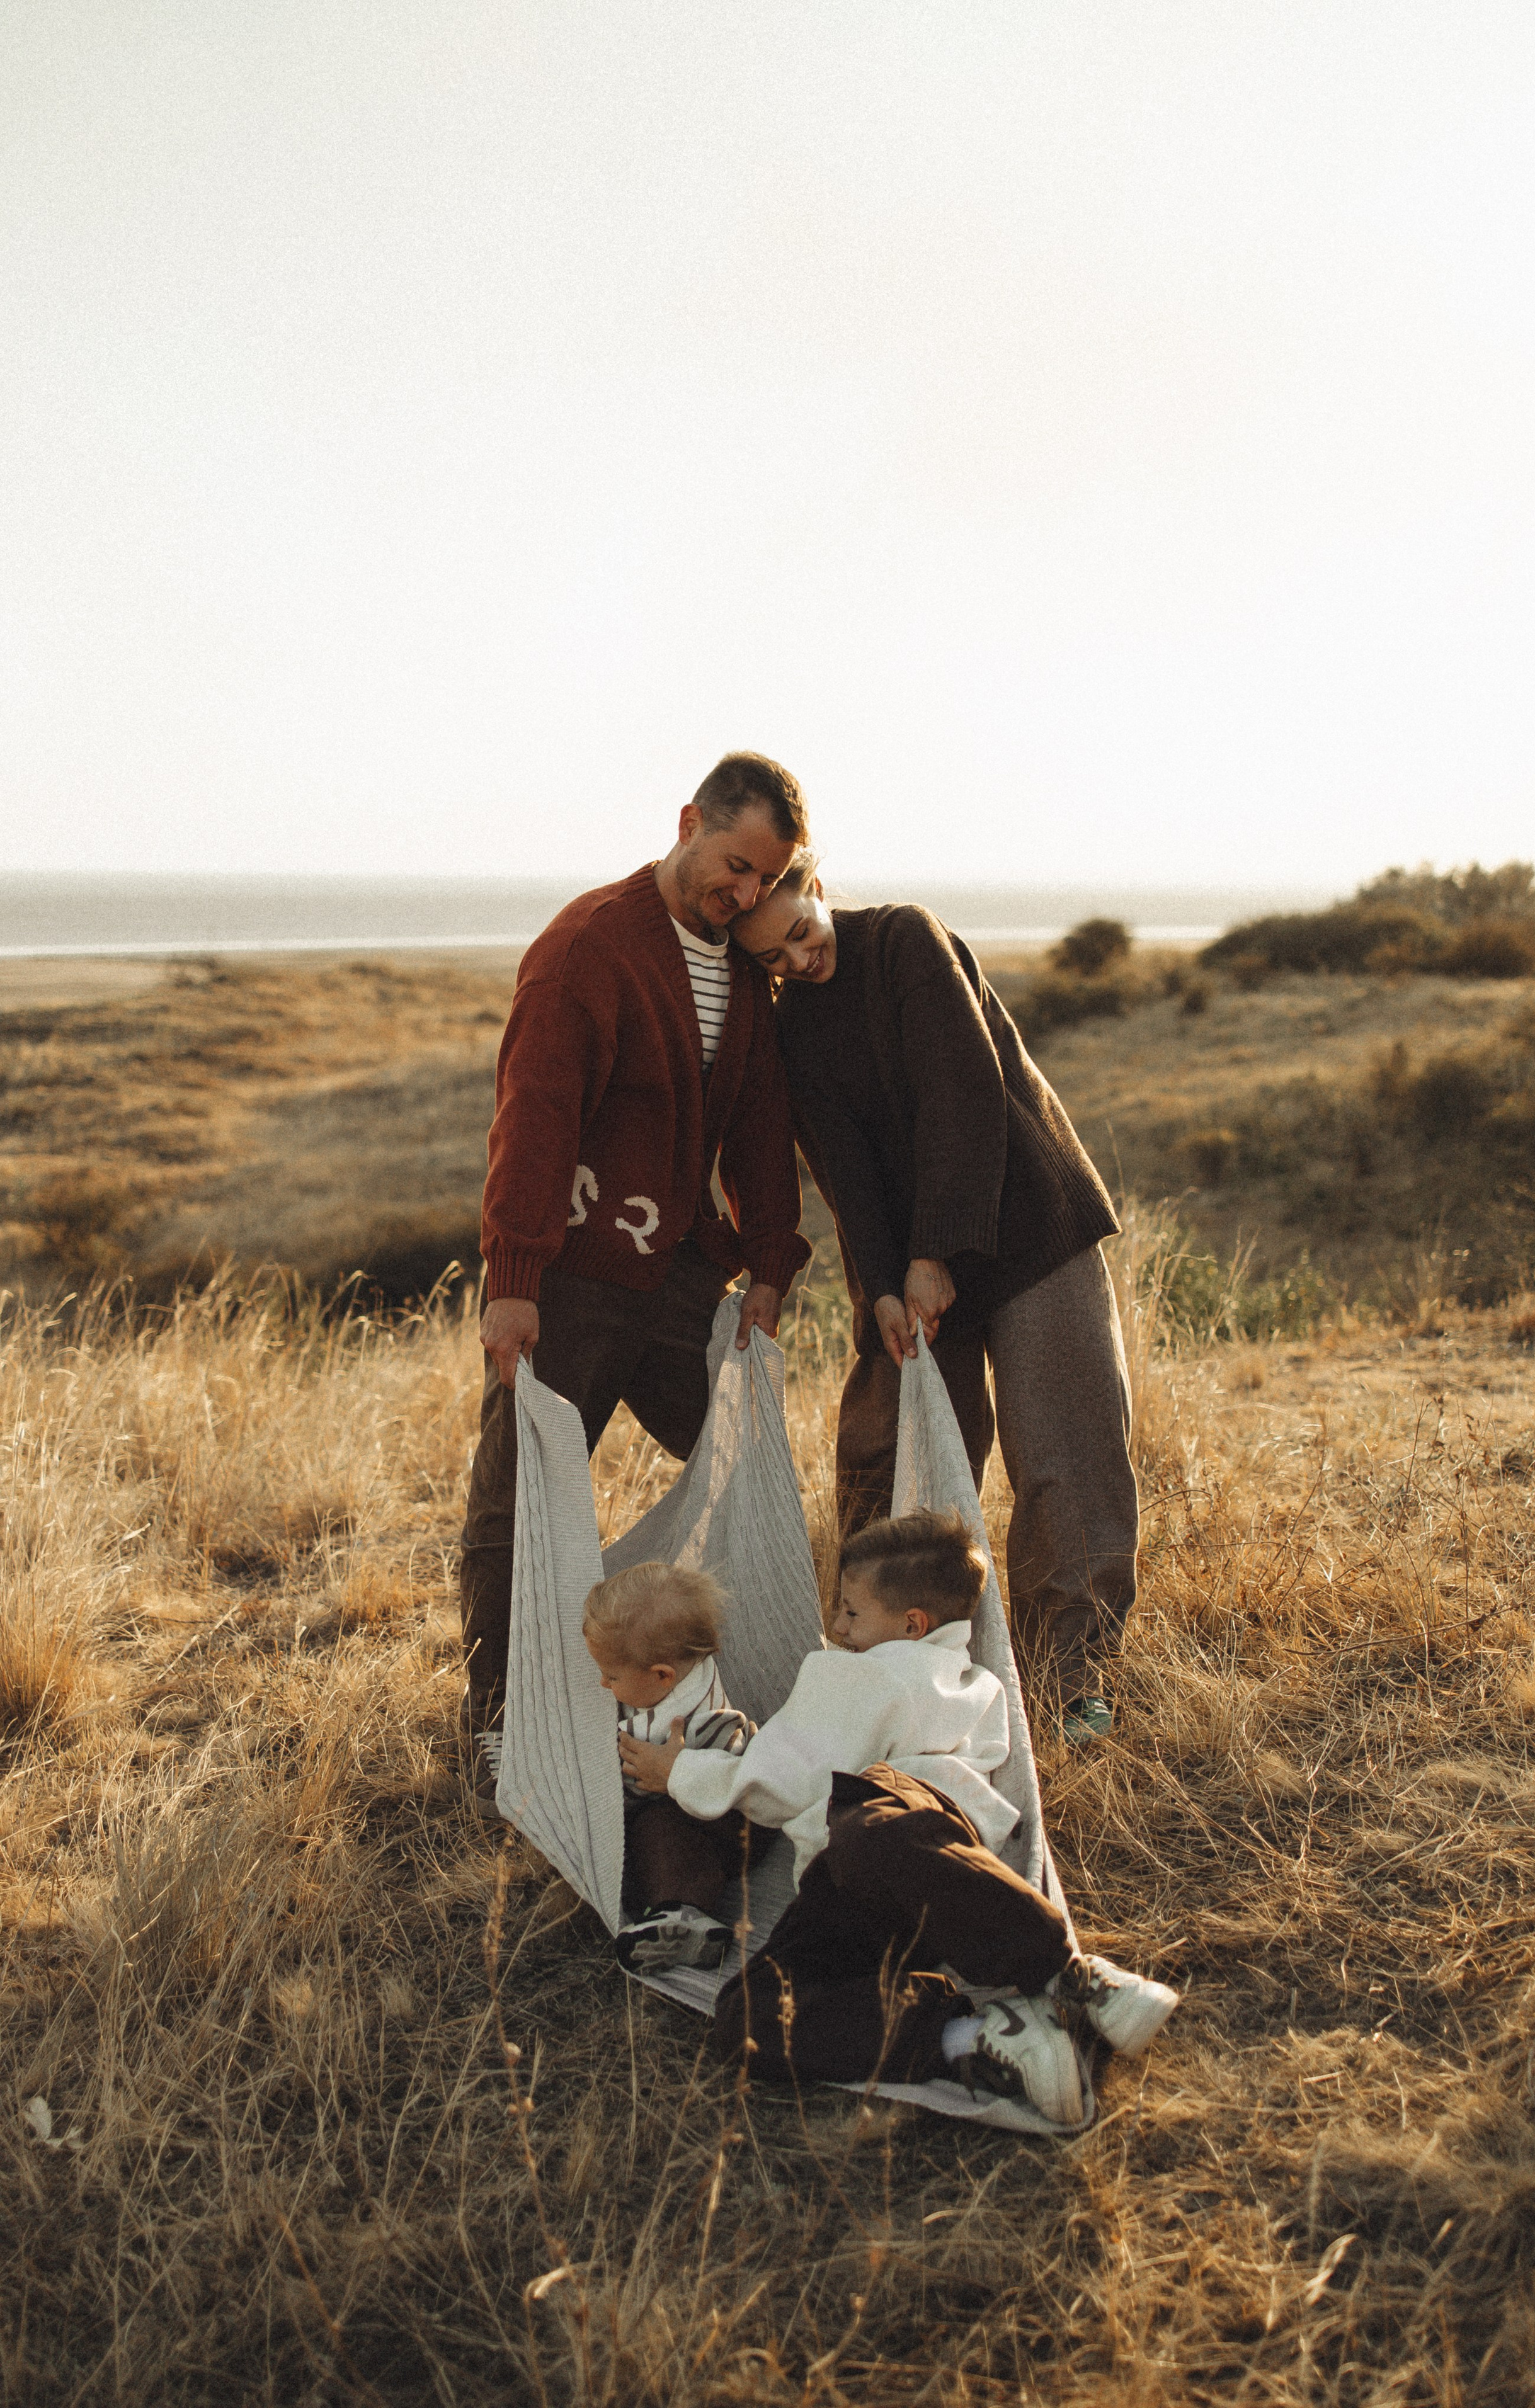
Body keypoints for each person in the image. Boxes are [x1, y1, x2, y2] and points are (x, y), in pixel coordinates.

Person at [459, 754, 813, 1815]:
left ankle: (715, 1701)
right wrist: (512, 1276)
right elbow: (533, 1121)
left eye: (765, 881)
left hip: (679, 1282)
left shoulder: (742, 971)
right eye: (736, 865)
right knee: (521, 1499)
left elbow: (757, 1123)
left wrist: (771, 1262)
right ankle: (498, 1725)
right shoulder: (586, 950)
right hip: (571, 1278)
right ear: (688, 821)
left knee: (741, 1465)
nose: (745, 895)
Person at [731, 857, 1138, 1747]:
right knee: (887, 1445)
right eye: (772, 960)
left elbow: (965, 1091)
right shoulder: (794, 1025)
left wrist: (931, 1254)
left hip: (1031, 1226)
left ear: (817, 884)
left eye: (800, 932)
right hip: (913, 1265)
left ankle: (1074, 1676)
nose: (798, 961)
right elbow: (844, 1170)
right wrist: (882, 1284)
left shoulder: (904, 938)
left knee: (1065, 1452)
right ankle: (891, 1672)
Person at [620, 1511, 1177, 2130]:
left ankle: (1068, 1975)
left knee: (864, 1825)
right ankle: (977, 2035)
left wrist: (679, 1772)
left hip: (892, 1830)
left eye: (853, 1613)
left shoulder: (855, 1674)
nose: (836, 1626)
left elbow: (783, 1781)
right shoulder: (976, 1683)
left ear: (911, 1626)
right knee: (747, 2017)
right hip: (917, 1886)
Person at [583, 1559, 761, 1975]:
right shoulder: (689, 1669)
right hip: (729, 1797)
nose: (602, 1685)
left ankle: (684, 1916)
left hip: (729, 1818)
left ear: (662, 1675)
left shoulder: (668, 1727)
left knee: (657, 1829)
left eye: (610, 1675)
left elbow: (620, 1793)